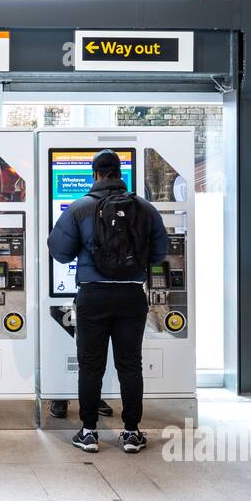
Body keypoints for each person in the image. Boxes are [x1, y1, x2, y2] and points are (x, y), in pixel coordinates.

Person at [46, 150, 168, 453]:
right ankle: (131, 432)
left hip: (93, 295)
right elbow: (159, 253)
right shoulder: (145, 209)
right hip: (131, 296)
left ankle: (88, 432)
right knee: (130, 365)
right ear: (119, 173)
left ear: (95, 174)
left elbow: (59, 251)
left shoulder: (80, 208)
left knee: (90, 365)